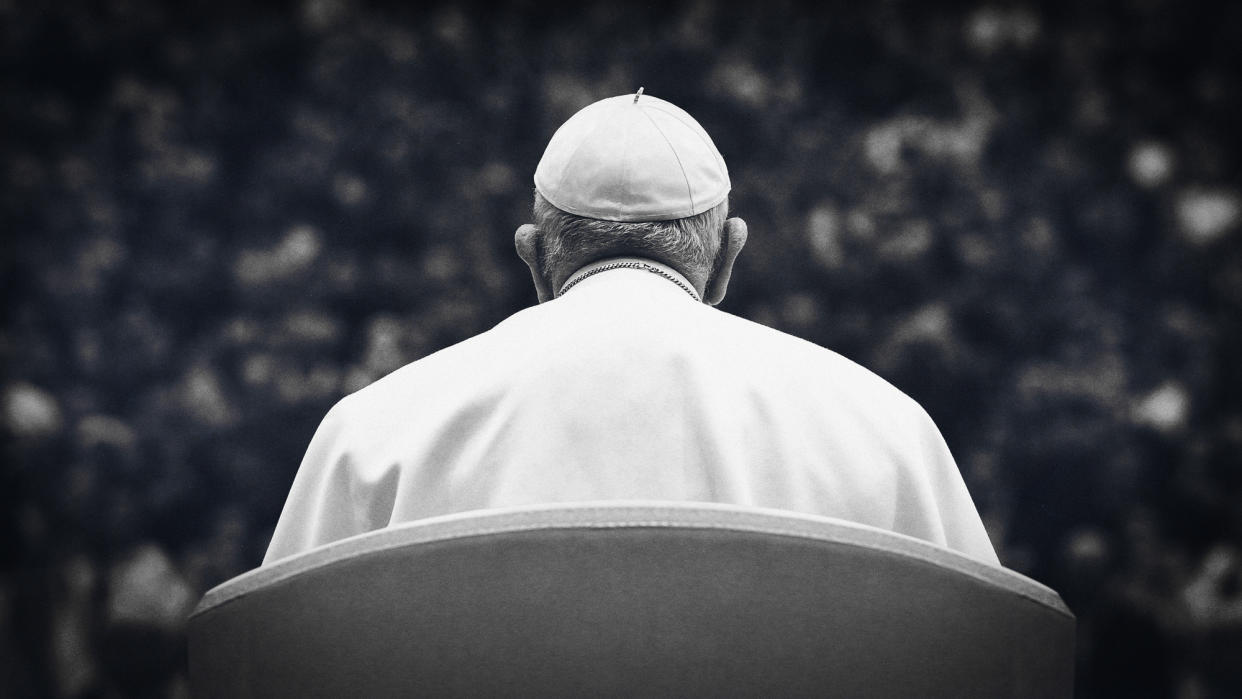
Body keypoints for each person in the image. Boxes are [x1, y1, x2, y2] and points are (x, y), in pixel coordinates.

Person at [263, 91, 999, 565]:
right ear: (727, 257)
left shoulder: (371, 435)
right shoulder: (884, 431)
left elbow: (274, 658)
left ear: (533, 257)